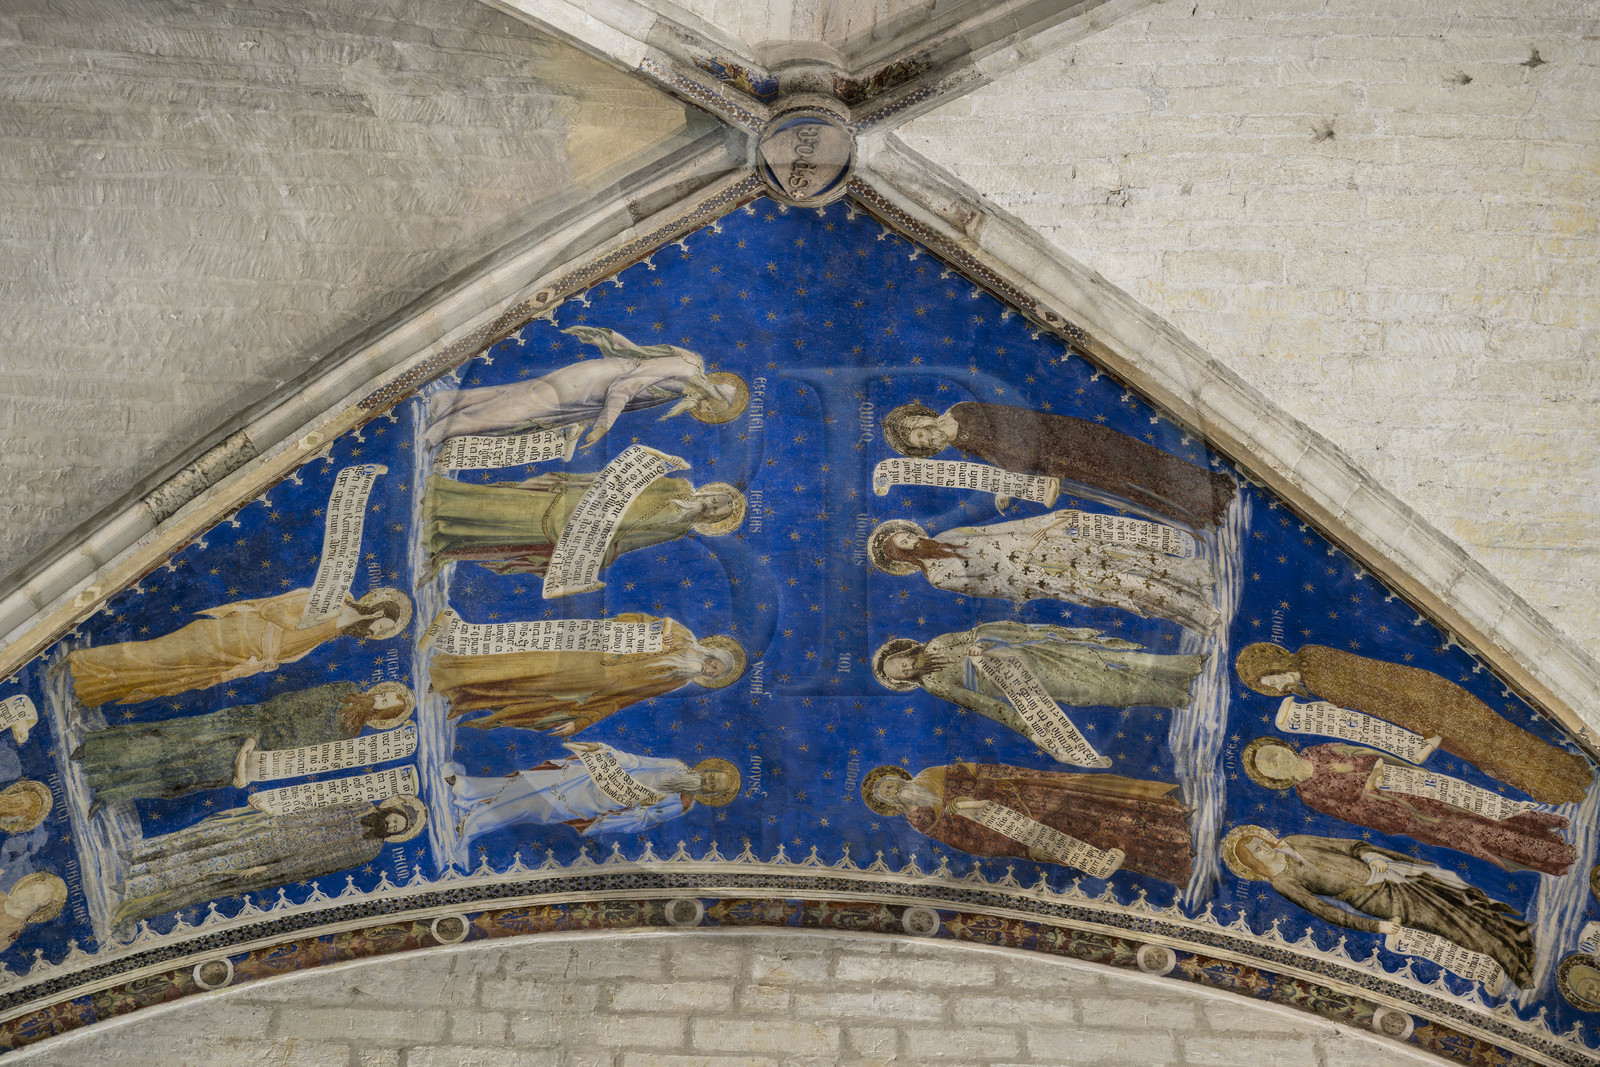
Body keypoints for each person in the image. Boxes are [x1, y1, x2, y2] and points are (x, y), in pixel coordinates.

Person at [1236, 643, 1591, 805]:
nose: (1278, 689)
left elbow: (1374, 689)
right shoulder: (1313, 679)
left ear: (1275, 666)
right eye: (1271, 689)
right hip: (1413, 706)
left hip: (1416, 701)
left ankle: (1560, 776)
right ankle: (1557, 779)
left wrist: (1420, 723)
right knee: (1483, 750)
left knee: (1490, 740)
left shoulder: (1313, 663)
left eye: (1271, 682)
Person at [1221, 825, 1535, 987]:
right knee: (1448, 925)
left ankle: (1516, 934)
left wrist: (1370, 855)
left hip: (1390, 870)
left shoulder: (1294, 840)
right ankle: (1513, 965)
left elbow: (1344, 846)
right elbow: (1326, 912)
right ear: (1254, 863)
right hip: (1377, 900)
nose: (1264, 848)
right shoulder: (1281, 882)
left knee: (1455, 900)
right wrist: (1376, 925)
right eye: (1257, 852)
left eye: (1261, 842)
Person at [1241, 737, 1574, 876]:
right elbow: (1356, 813)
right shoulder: (1309, 794)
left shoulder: (1318, 751)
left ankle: (1545, 825)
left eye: (1273, 750)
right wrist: (1369, 788)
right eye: (1270, 763)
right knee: (1474, 832)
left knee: (1478, 807)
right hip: (1405, 812)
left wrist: (1361, 767)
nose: (1276, 757)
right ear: (1275, 777)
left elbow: (1363, 752)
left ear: (1283, 747)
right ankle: (1549, 854)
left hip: (1411, 785)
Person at [882, 401, 1235, 529]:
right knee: (1127, 487)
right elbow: (1010, 458)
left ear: (919, 420)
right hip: (1064, 462)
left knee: (1141, 467)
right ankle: (1201, 510)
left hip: (1071, 442)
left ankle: (1212, 491)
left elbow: (1017, 439)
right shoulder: (961, 444)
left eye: (922, 436)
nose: (929, 443)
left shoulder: (963, 414)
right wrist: (1013, 484)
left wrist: (1011, 483)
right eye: (923, 447)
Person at [111, 795, 425, 933]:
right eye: (395, 819)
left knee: (209, 870)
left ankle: (133, 886)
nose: (393, 825)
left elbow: (315, 863)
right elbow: (314, 814)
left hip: (274, 858)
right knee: (206, 841)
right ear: (390, 811)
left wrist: (270, 870)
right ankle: (138, 857)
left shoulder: (368, 849)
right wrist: (274, 817)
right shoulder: (361, 806)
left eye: (398, 829)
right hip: (271, 831)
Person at [73, 682, 415, 807]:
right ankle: (98, 749)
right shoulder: (344, 691)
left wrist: (258, 752)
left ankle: (109, 788)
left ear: (384, 715)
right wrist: (259, 732)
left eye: (386, 704)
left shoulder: (349, 734)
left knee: (182, 778)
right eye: (383, 694)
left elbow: (304, 748)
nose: (380, 699)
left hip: (256, 752)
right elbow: (293, 703)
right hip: (252, 724)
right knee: (176, 738)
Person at [65, 588, 411, 707]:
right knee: (158, 655)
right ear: (374, 609)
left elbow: (293, 650)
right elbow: (272, 609)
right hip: (234, 635)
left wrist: (272, 660)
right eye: (380, 624)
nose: (374, 631)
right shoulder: (330, 598)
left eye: (380, 631)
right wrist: (292, 628)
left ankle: (91, 688)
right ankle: (81, 665)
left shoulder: (336, 633)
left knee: (170, 678)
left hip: (244, 657)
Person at [867, 517, 1219, 634]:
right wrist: (1022, 560)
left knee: (1119, 557)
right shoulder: (938, 576)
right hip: (1035, 574)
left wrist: (1044, 522)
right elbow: (991, 587)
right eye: (906, 545)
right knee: (1117, 586)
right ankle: (1194, 611)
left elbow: (996, 529)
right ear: (905, 556)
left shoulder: (946, 537)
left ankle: (1194, 576)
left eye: (910, 535)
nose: (914, 541)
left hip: (1045, 544)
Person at [863, 761, 1193, 885]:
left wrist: (995, 789)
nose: (895, 789)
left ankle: (1170, 818)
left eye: (891, 782)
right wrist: (1018, 847)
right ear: (889, 802)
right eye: (889, 792)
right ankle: (1170, 856)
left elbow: (979, 771)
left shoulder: (932, 774)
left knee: (1095, 808)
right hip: (1013, 828)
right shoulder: (921, 820)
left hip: (1026, 797)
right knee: (1089, 842)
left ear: (898, 776)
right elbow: (968, 841)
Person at [423, 326, 748, 448]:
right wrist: (602, 427)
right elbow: (625, 385)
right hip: (588, 386)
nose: (700, 410)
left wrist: (606, 338)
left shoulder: (687, 369)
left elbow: (635, 355)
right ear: (712, 395)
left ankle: (445, 404)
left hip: (589, 385)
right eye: (708, 407)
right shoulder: (689, 374)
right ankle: (445, 430)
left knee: (520, 396)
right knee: (519, 411)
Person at [429, 613, 744, 733]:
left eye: (713, 673)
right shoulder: (680, 633)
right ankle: (449, 669)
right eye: (714, 663)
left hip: (588, 683)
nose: (709, 668)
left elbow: (624, 699)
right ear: (711, 652)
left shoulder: (676, 680)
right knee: (519, 661)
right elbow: (629, 620)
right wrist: (646, 632)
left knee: (520, 687)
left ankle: (458, 691)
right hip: (585, 652)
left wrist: (582, 721)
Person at [418, 471, 743, 582]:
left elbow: (630, 541)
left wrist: (598, 558)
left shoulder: (677, 529)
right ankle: (442, 502)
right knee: (505, 507)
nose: (711, 506)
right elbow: (627, 480)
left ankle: (442, 537)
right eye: (716, 500)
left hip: (584, 532)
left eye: (715, 511)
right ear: (711, 492)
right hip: (577, 505)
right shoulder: (679, 487)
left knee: (507, 536)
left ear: (711, 520)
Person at [873, 622, 1206, 731]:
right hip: (1024, 684)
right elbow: (980, 703)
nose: (904, 668)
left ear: (905, 652)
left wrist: (979, 646)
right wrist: (1025, 726)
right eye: (900, 674)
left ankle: (1182, 667)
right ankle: (1175, 696)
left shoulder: (939, 643)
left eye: (900, 662)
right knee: (1100, 688)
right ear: (905, 681)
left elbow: (982, 631)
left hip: (1028, 654)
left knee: (1099, 656)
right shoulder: (934, 684)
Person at [443, 741, 740, 845]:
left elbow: (642, 818)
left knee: (533, 806)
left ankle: (472, 824)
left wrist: (601, 824)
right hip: (587, 777)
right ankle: (466, 788)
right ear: (707, 769)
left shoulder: (680, 803)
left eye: (713, 786)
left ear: (710, 794)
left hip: (594, 801)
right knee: (526, 782)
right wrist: (603, 751)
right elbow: (636, 762)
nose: (709, 781)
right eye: (712, 776)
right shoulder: (675, 765)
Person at [0, 873, 67, 954]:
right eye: (28, 889)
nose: (24, 894)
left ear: (34, 907)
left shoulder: (14, 929)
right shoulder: (1, 895)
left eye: (32, 896)